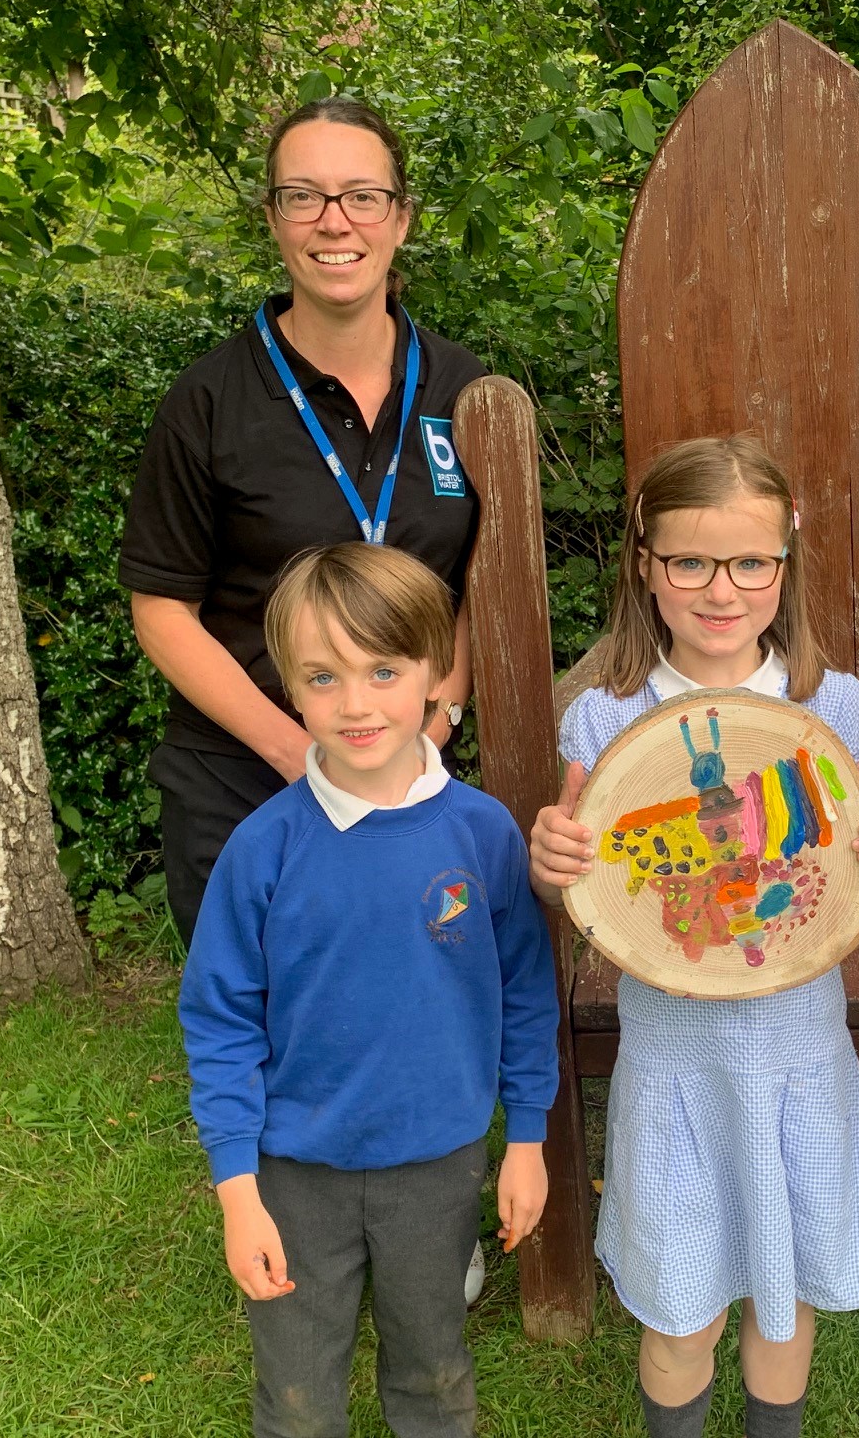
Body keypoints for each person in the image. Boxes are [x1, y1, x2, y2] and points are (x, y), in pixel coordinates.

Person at [528, 437, 859, 1438]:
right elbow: (586, 874)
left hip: (797, 1054)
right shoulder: (607, 717)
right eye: (690, 562)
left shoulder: (830, 707)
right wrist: (553, 858)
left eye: (750, 563)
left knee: (782, 1303)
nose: (720, 590)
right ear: (645, 568)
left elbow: (854, 858)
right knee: (682, 1305)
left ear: (784, 567)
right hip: (675, 1068)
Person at [178, 542, 558, 1438]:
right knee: (300, 1394)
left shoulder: (483, 832)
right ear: (288, 686)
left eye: (383, 669)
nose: (355, 704)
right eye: (322, 676)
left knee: (431, 1373)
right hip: (292, 1173)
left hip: (438, 1163)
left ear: (434, 670)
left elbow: (525, 993)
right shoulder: (262, 851)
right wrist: (238, 1192)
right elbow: (220, 1021)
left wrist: (529, 1138)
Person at [122, 95, 486, 948]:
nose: (335, 221)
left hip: (417, 774)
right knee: (271, 1037)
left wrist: (437, 724)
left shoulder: (467, 391)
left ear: (400, 219)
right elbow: (162, 610)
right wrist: (304, 758)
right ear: (274, 219)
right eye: (304, 196)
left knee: (414, 1013)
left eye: (362, 195)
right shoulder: (208, 402)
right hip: (250, 779)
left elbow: (480, 578)